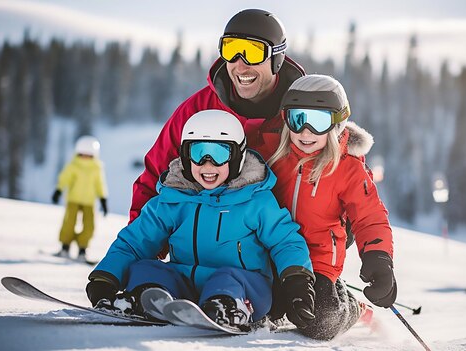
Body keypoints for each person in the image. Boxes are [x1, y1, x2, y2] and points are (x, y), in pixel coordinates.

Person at [85, 110, 315, 330]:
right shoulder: (173, 199)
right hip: (185, 282)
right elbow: (135, 242)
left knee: (228, 278)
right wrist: (106, 277)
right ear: (185, 157)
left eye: (219, 154)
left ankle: (227, 306)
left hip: (245, 286)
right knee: (146, 267)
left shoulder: (256, 201)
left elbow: (285, 241)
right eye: (198, 153)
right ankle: (144, 297)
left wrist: (297, 282)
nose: (207, 164)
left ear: (237, 157)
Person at [129, 8, 305, 225]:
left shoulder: (302, 111)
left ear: (276, 58)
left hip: (289, 249)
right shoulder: (199, 110)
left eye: (253, 52)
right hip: (208, 248)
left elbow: (341, 167)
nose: (240, 65)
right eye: (231, 50)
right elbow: (155, 177)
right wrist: (139, 247)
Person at [267, 74, 396, 340]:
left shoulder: (348, 167)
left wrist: (378, 259)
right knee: (270, 307)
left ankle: (352, 308)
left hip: (319, 263)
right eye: (297, 118)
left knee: (320, 322)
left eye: (318, 121)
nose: (305, 131)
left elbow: (369, 216)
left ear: (337, 124)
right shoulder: (275, 156)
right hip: (275, 258)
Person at [52, 135, 108, 262]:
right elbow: (65, 178)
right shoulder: (74, 165)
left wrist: (103, 199)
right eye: (83, 154)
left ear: (94, 155)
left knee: (89, 226)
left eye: (89, 155)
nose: (85, 158)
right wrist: (59, 190)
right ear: (78, 153)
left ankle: (82, 249)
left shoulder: (97, 168)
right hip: (74, 199)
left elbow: (100, 184)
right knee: (69, 223)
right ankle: (65, 247)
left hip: (89, 201)